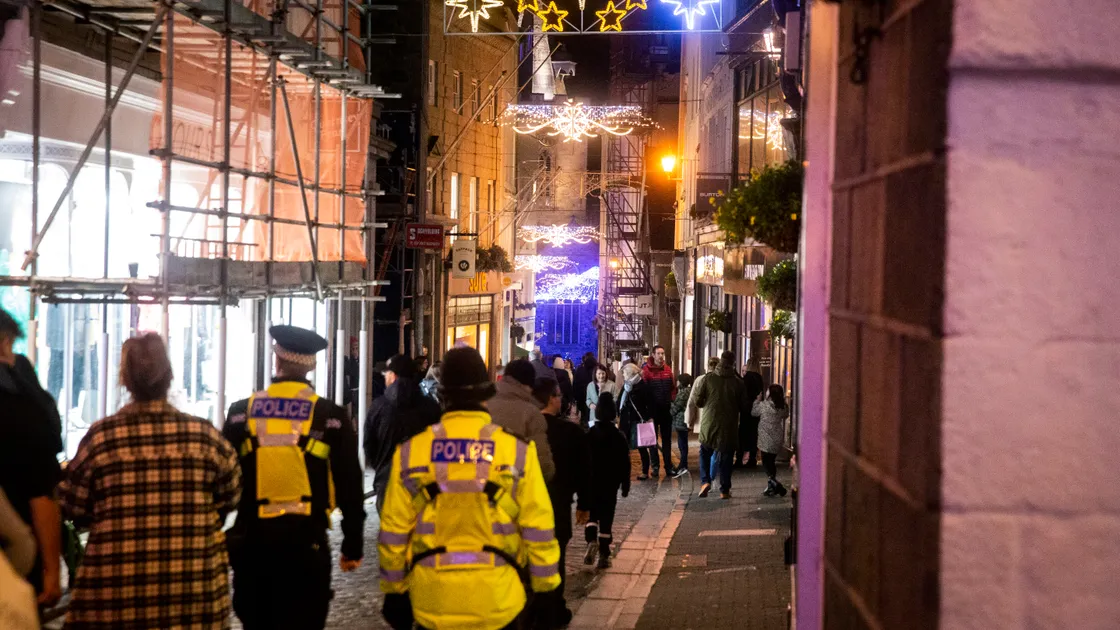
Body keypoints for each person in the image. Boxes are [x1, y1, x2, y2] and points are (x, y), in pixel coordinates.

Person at [59, 333, 241, 628]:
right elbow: (231, 495)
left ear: (125, 380)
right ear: (169, 377)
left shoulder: (101, 439)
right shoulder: (205, 438)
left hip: (114, 601)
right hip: (195, 598)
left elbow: (72, 505)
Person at [378, 347, 561, 630]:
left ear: (441, 395)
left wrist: (394, 590)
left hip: (432, 600)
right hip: (498, 599)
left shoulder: (411, 452)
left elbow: (393, 531)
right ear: (487, 395)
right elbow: (538, 527)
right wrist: (547, 589)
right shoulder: (517, 452)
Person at [223, 325, 365, 630]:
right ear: (310, 365)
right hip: (305, 546)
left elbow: (223, 478)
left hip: (253, 544)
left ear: (277, 362)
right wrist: (352, 544)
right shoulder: (331, 416)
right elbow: (350, 484)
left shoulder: (240, 412)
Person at [0, 307, 63, 608]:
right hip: (12, 566)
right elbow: (40, 492)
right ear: (3, 343)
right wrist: (52, 570)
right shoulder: (20, 406)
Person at [533, 377, 591, 627]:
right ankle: (554, 605)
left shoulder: (523, 431)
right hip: (558, 505)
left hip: (529, 507)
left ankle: (535, 606)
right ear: (550, 398)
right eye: (558, 395)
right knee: (557, 557)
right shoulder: (570, 432)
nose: (561, 400)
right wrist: (584, 504)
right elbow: (584, 471)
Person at [364, 354, 442, 514]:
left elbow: (369, 444)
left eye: (386, 374)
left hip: (388, 481)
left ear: (393, 376)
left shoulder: (378, 407)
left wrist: (381, 468)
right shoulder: (431, 407)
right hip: (424, 483)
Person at [487, 358, 556, 480]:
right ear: (529, 385)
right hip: (515, 487)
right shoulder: (531, 413)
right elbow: (543, 466)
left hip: (484, 484)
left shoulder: (484, 404)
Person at [583, 392, 630, 569]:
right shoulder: (618, 437)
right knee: (607, 516)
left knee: (592, 514)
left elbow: (582, 460)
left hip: (592, 482)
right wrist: (625, 484)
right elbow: (625, 463)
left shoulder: (589, 435)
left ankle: (590, 540)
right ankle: (604, 552)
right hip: (610, 483)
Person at [694, 351, 747, 500]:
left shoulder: (708, 378)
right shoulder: (738, 382)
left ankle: (705, 481)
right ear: (733, 364)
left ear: (719, 362)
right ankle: (724, 489)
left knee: (704, 451)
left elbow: (698, 401)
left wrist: (709, 403)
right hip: (728, 425)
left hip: (709, 423)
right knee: (727, 456)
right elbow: (744, 406)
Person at [641, 345, 680, 478]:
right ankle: (655, 467)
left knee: (667, 440)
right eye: (658, 353)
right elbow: (644, 392)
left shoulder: (668, 370)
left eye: (662, 353)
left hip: (665, 410)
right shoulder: (646, 371)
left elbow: (673, 388)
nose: (661, 356)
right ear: (653, 354)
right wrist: (647, 412)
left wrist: (672, 401)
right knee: (651, 440)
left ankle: (668, 466)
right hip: (652, 411)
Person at [618, 363, 657, 480]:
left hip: (638, 421)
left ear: (630, 374)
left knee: (642, 447)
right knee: (624, 447)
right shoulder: (626, 386)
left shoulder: (643, 387)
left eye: (624, 373)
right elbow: (620, 401)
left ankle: (645, 471)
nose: (623, 375)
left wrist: (648, 417)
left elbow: (650, 404)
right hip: (625, 421)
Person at [754, 384, 791, 497]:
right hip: (777, 438)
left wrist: (757, 400)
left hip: (765, 439)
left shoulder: (764, 405)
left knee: (766, 463)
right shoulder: (783, 406)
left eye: (767, 391)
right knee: (771, 462)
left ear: (770, 394)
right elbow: (785, 415)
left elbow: (753, 412)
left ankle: (775, 483)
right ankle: (771, 487)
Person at [736, 370, 766, 468]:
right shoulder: (759, 378)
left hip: (746, 410)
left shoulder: (746, 379)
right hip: (755, 410)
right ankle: (752, 459)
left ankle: (739, 459)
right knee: (753, 435)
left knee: (742, 435)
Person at [686, 357, 721, 436]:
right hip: (718, 420)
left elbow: (692, 400)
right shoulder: (723, 380)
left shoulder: (700, 379)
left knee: (705, 443)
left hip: (702, 418)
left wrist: (689, 420)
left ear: (707, 366)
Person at [670, 373, 694, 471]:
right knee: (683, 443)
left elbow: (676, 408)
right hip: (685, 420)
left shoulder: (683, 393)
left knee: (682, 444)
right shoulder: (689, 391)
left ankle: (683, 464)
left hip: (681, 421)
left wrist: (670, 406)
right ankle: (683, 463)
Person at [585, 363, 618, 428]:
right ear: (595, 374)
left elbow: (616, 398)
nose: (601, 376)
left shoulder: (612, 385)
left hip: (608, 417)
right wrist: (590, 404)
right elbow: (588, 399)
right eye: (599, 374)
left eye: (603, 373)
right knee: (594, 434)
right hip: (593, 416)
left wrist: (608, 404)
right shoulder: (590, 385)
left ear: (606, 373)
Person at [571, 352, 597, 428]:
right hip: (593, 396)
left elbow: (575, 383)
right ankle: (591, 427)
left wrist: (575, 396)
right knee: (591, 413)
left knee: (584, 412)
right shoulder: (596, 371)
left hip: (581, 396)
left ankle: (584, 426)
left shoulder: (580, 370)